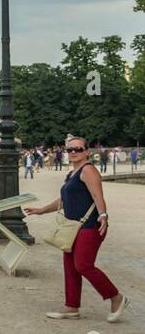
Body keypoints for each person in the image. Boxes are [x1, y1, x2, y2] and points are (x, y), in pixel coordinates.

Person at [24, 136, 129, 322]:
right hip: (72, 226)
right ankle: (71, 307)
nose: (73, 152)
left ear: (87, 152)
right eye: (69, 149)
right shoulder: (72, 174)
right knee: (70, 267)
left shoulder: (88, 170)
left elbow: (98, 196)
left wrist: (103, 215)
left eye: (78, 149)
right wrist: (41, 211)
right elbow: (64, 201)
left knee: (83, 265)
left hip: (90, 225)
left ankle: (116, 297)